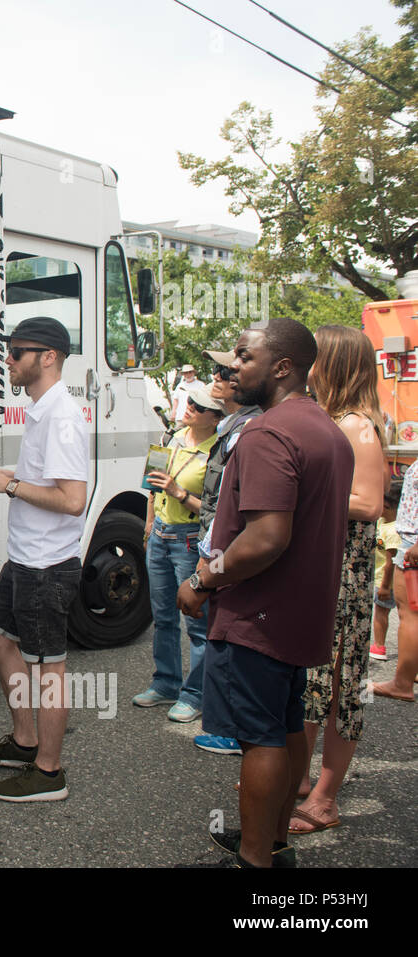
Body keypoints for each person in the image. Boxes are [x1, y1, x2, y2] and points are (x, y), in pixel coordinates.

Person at [177, 318, 353, 868]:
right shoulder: (325, 428)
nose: (233, 366)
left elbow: (266, 537)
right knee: (284, 724)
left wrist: (203, 580)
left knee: (261, 739)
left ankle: (254, 862)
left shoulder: (269, 432)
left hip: (259, 615)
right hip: (301, 613)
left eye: (243, 357)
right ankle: (273, 842)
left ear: (282, 367)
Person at [0, 316, 89, 802]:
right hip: (25, 559)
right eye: (9, 351)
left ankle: (49, 772)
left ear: (49, 357)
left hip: (46, 566)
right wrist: (11, 473)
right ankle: (25, 740)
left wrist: (10, 485)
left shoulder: (61, 415)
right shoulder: (43, 409)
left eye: (17, 352)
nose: (8, 361)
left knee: (50, 669)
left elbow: (73, 499)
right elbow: (47, 475)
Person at [286, 325, 386, 834]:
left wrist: (302, 492)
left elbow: (368, 503)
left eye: (314, 358)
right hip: (324, 570)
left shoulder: (356, 424)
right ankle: (300, 779)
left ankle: (325, 799)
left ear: (334, 364)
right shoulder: (334, 419)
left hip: (344, 578)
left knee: (340, 686)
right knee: (312, 683)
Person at [133, 383, 223, 722]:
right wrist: (149, 522)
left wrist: (179, 493)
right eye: (189, 402)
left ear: (215, 417)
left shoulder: (219, 451)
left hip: (189, 539)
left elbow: (218, 511)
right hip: (159, 535)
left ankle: (194, 694)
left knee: (196, 621)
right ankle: (166, 683)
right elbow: (149, 485)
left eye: (199, 407)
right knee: (163, 617)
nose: (189, 408)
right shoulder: (170, 438)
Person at [190, 349, 262, 756]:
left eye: (226, 371)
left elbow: (227, 506)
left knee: (228, 639)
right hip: (221, 552)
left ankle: (235, 729)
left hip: (227, 556)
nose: (216, 377)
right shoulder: (235, 426)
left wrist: (207, 563)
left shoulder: (248, 430)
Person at [373, 464, 418, 701]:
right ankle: (411, 672)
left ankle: (402, 683)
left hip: (412, 544)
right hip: (411, 542)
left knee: (409, 616)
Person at [369, 478, 403, 662]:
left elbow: (391, 562)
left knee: (381, 613)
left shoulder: (393, 530)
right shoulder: (382, 522)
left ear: (388, 506)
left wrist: (384, 586)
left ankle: (379, 646)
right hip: (381, 577)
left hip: (386, 580)